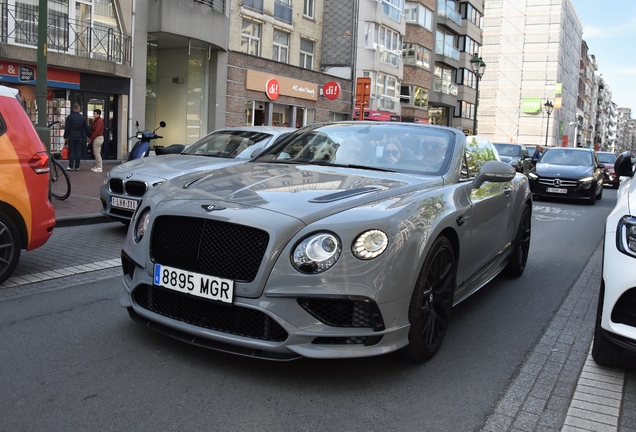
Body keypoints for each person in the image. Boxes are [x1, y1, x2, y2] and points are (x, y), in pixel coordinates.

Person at [63, 103, 91, 171]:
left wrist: (65, 137)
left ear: (73, 109)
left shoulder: (70, 117)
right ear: (79, 109)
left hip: (71, 136)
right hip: (79, 136)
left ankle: (70, 166)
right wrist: (89, 136)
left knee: (72, 151)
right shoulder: (83, 118)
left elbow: (67, 128)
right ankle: (77, 166)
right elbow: (86, 127)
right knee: (78, 151)